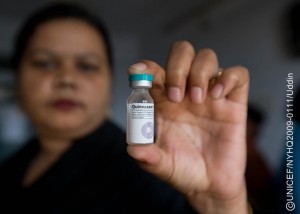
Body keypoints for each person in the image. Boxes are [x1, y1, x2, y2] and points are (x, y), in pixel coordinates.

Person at [0, 2, 251, 213]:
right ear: (17, 77)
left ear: (109, 83)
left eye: (86, 66)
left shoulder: (146, 168)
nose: (67, 78)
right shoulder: (13, 165)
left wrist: (223, 206)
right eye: (44, 63)